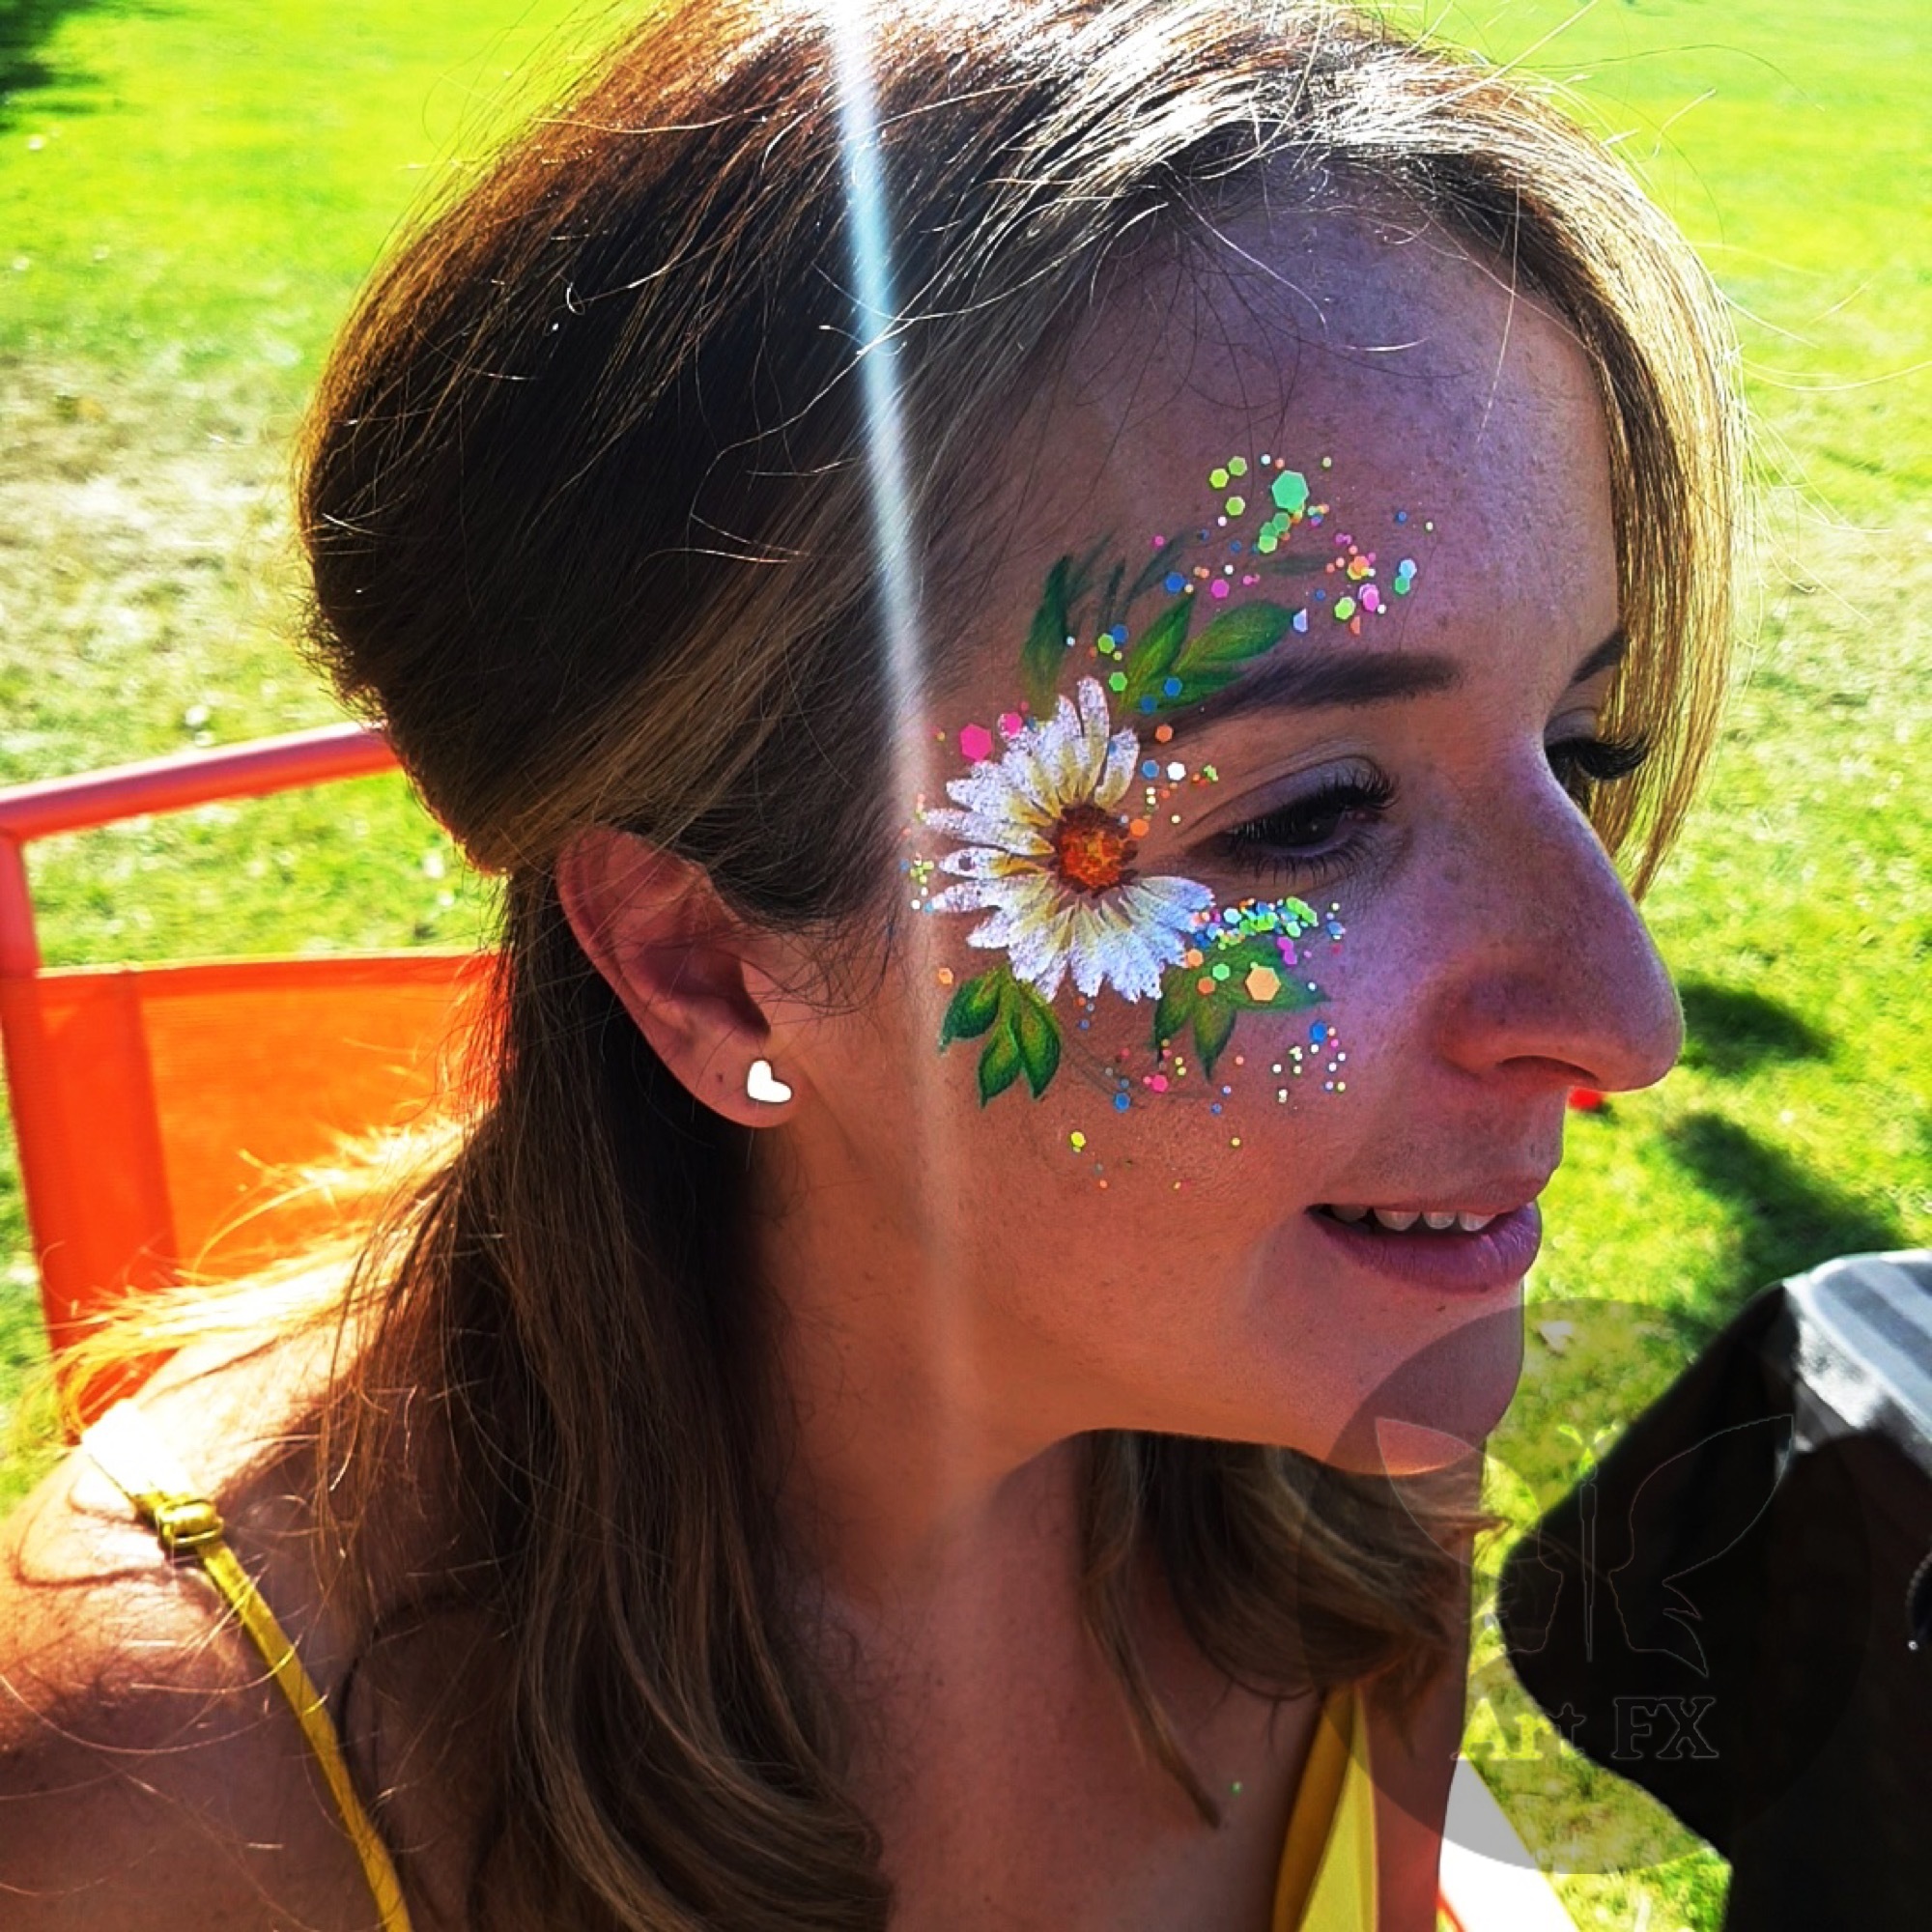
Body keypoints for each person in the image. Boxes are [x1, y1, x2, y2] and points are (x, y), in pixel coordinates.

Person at [0, 0, 1740, 1925]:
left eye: (1579, 751)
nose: (1622, 1018)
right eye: (1307, 814)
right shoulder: (161, 1808)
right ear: (708, 967)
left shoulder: (1330, 1407)